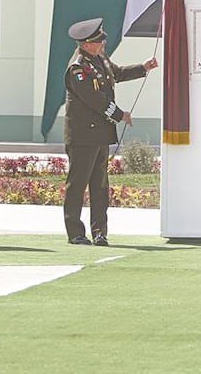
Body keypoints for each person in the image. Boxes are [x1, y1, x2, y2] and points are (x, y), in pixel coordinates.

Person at [63, 17, 157, 246]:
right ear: (86, 44)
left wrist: (143, 68)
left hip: (100, 134)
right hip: (83, 136)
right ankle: (75, 232)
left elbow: (117, 73)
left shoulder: (100, 59)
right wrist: (119, 114)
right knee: (77, 184)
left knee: (100, 185)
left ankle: (99, 232)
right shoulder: (78, 68)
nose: (103, 44)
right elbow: (94, 99)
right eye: (99, 41)